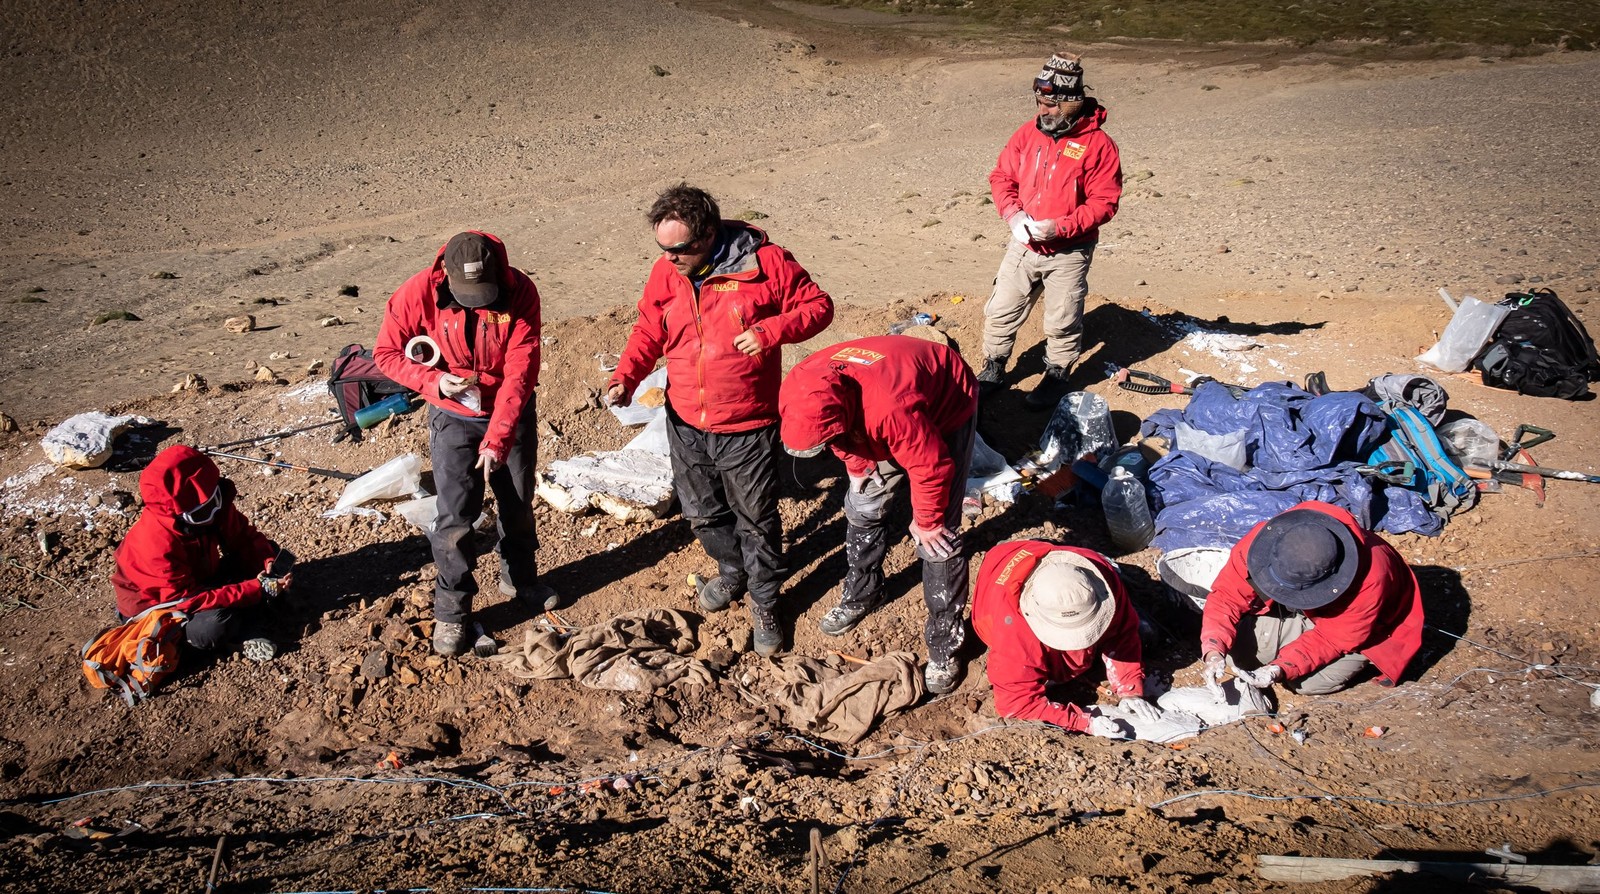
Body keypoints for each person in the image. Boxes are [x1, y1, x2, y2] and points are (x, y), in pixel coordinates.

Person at [607, 184, 834, 657]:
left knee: (756, 520)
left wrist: (771, 330)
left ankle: (767, 602)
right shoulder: (666, 273)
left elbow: (818, 307)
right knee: (703, 514)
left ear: (708, 234)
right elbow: (650, 328)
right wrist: (625, 378)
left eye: (680, 248)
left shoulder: (763, 262)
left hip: (747, 423)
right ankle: (734, 573)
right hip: (686, 418)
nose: (670, 258)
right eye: (662, 249)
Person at [374, 230, 551, 656]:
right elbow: (386, 353)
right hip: (452, 418)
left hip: (510, 413)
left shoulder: (520, 291)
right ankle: (452, 611)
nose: (479, 302)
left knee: (517, 501)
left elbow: (521, 370)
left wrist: (498, 438)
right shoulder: (417, 292)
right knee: (455, 517)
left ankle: (520, 578)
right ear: (446, 277)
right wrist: (433, 380)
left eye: (484, 294)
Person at [778, 335, 976, 694]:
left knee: (939, 542)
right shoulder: (799, 387)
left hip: (946, 398)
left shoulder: (891, 411)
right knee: (862, 504)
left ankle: (945, 647)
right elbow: (835, 434)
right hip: (878, 407)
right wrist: (857, 467)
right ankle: (865, 592)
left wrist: (928, 523)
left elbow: (933, 467)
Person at [978, 52, 1123, 410]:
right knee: (1001, 309)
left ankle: (1057, 375)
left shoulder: (1098, 145)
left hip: (1069, 250)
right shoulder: (1028, 134)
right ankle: (993, 367)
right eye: (1040, 103)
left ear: (1072, 102)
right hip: (1024, 244)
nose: (1043, 111)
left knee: (1062, 318)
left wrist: (1060, 226)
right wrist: (1013, 216)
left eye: (1050, 105)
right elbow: (1002, 177)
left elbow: (1105, 201)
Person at [1200, 501, 1425, 696]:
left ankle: (1358, 659)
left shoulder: (1371, 578)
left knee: (1305, 683)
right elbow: (1227, 596)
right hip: (1307, 612)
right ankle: (1295, 630)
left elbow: (1333, 639)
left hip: (1369, 627)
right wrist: (1213, 650)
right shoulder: (1267, 540)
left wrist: (1279, 669)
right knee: (1238, 655)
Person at [112, 444, 289, 660]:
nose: (213, 513)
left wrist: (266, 562)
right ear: (176, 514)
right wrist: (255, 588)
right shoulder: (155, 545)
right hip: (161, 606)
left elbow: (244, 537)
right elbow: (186, 600)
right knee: (214, 626)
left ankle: (250, 611)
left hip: (198, 578)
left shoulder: (208, 504)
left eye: (214, 501)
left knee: (269, 551)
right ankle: (208, 641)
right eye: (202, 512)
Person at [972, 540, 1161, 739]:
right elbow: (1016, 705)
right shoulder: (1012, 632)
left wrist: (1129, 688)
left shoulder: (1102, 576)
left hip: (1046, 553)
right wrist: (1081, 722)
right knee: (1047, 670)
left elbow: (1122, 632)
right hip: (999, 573)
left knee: (1146, 635)